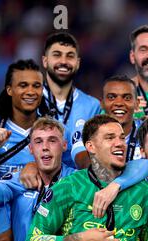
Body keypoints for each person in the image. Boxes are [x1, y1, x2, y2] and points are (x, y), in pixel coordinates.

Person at [0, 117, 148, 241]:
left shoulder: (77, 181)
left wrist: (116, 185)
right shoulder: (17, 181)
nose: (45, 147)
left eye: (52, 140)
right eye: (38, 141)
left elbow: (144, 164)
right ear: (30, 149)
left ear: (64, 145)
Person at [0, 58, 48, 241]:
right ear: (9, 90)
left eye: (36, 86)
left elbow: (71, 174)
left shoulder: (52, 133)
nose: (30, 91)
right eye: (23, 85)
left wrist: (34, 162)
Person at [41, 31, 101, 169]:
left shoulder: (92, 106)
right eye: (57, 55)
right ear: (45, 61)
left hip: (76, 184)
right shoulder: (27, 102)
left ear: (78, 63)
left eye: (70, 56)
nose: (63, 61)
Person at [100, 75, 143, 162]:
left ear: (137, 104)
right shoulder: (91, 134)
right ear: (102, 103)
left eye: (127, 98)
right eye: (111, 97)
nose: (119, 103)